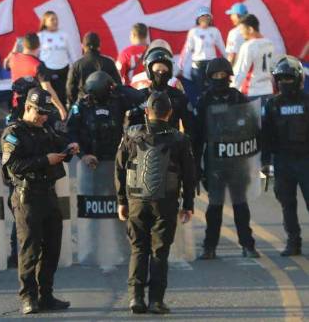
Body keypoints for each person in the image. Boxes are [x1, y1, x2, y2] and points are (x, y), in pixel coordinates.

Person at [116, 91, 195, 315]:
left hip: (136, 201)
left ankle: (136, 297)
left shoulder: (131, 134)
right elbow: (189, 175)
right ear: (169, 113)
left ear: (146, 111)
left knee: (138, 249)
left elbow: (120, 168)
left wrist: (121, 200)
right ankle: (156, 301)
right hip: (165, 203)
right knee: (160, 252)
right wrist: (188, 204)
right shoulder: (180, 139)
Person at [1, 87, 77, 314]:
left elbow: (59, 145)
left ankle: (46, 295)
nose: (44, 117)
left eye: (46, 113)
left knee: (52, 247)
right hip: (27, 196)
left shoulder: (45, 129)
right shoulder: (13, 133)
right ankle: (28, 297)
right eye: (40, 112)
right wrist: (45, 160)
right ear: (27, 107)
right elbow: (12, 166)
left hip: (48, 194)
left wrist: (69, 149)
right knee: (30, 249)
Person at [194, 58, 259, 260]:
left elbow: (252, 128)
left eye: (223, 75)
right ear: (209, 77)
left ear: (229, 76)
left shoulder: (238, 98)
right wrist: (196, 166)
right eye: (216, 75)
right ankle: (209, 247)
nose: (219, 78)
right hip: (214, 163)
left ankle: (247, 245)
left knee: (240, 205)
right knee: (214, 207)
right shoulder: (204, 101)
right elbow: (197, 136)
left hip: (237, 161)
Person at [261, 56, 308, 256]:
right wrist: (264, 163)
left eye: (289, 78)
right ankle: (293, 242)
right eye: (281, 79)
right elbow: (265, 135)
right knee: (287, 203)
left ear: (298, 79)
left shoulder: (307, 102)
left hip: (306, 160)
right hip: (282, 161)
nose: (285, 82)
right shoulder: (272, 104)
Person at [3, 32, 67, 120]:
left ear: (23, 45)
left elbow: (5, 64)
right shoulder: (38, 65)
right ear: (39, 45)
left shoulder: (13, 58)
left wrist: (15, 47)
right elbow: (47, 89)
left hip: (16, 105)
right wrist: (60, 108)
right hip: (34, 108)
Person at [179, 6, 225, 100]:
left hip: (211, 64)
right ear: (198, 19)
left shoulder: (215, 31)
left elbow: (222, 47)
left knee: (212, 89)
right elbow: (187, 49)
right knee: (200, 91)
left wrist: (229, 61)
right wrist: (181, 65)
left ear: (210, 19)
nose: (205, 19)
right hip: (198, 66)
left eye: (207, 17)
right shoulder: (193, 31)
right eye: (202, 17)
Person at [66, 32, 121, 106]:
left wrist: (73, 105)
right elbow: (118, 85)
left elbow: (70, 89)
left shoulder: (77, 65)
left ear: (82, 46)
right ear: (99, 45)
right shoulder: (109, 63)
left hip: (84, 105)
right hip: (106, 105)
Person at [232, 14, 276, 100]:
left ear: (250, 29)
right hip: (268, 90)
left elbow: (240, 72)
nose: (241, 33)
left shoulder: (248, 46)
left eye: (242, 29)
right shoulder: (270, 43)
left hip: (252, 92)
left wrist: (231, 90)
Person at [36, 11, 78, 100]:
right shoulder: (40, 36)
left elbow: (72, 53)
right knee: (48, 96)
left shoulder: (64, 35)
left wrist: (75, 68)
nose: (55, 22)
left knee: (64, 95)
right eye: (52, 20)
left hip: (63, 70)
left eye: (56, 19)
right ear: (45, 22)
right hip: (47, 71)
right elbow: (36, 55)